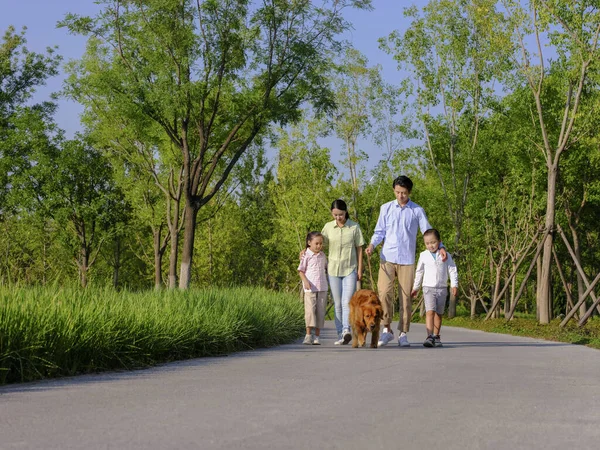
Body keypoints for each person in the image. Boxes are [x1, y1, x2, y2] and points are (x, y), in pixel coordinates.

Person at [366, 175, 446, 347]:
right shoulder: (386, 208)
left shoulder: (417, 210)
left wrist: (441, 247)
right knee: (384, 293)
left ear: (409, 192)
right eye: (397, 192)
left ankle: (403, 333)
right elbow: (379, 231)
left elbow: (428, 232)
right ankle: (387, 329)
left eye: (403, 192)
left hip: (407, 260)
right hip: (387, 258)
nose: (400, 195)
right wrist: (372, 245)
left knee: (405, 298)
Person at [321, 199, 365, 345]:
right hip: (333, 270)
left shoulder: (354, 227)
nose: (338, 217)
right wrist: (305, 250)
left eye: (340, 214)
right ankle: (341, 334)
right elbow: (318, 244)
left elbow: (359, 248)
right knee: (337, 303)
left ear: (346, 212)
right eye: (335, 215)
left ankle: (346, 329)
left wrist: (359, 269)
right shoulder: (328, 227)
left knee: (347, 302)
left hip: (350, 269)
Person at [411, 229, 458, 347]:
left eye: (433, 242)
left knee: (439, 313)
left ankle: (437, 336)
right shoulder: (423, 255)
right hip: (428, 288)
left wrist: (454, 284)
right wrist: (415, 287)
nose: (430, 245)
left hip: (442, 288)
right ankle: (429, 336)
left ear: (439, 242)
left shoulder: (445, 255)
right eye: (427, 243)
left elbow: (452, 269)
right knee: (430, 312)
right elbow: (419, 272)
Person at [298, 232, 328, 345]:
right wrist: (305, 281)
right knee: (310, 312)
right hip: (310, 288)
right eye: (316, 243)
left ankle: (317, 336)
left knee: (320, 312)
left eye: (321, 243)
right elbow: (301, 270)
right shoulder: (306, 255)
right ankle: (308, 335)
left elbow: (327, 269)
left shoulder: (323, 256)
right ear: (309, 243)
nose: (319, 246)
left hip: (322, 288)